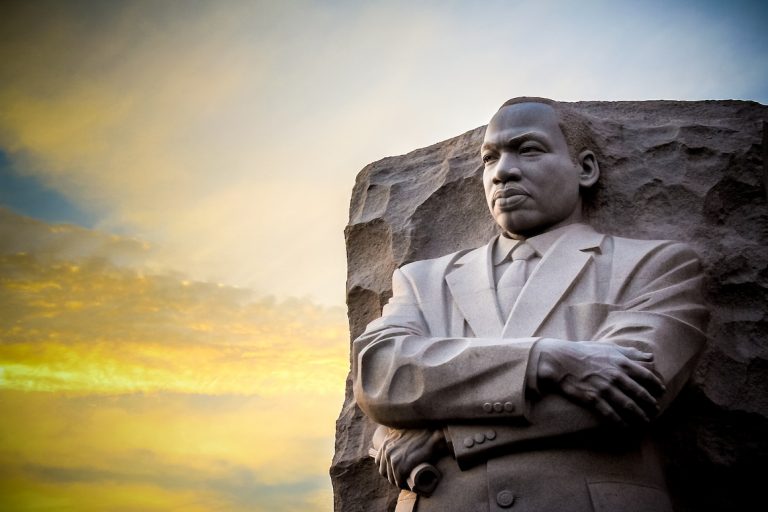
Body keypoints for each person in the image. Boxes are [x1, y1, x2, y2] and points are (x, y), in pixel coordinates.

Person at [352, 97, 708, 512]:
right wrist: (545, 359)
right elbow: (380, 376)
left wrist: (441, 436)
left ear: (585, 169)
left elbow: (633, 392)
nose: (502, 171)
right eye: (490, 158)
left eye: (529, 149)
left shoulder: (654, 265)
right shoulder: (423, 280)